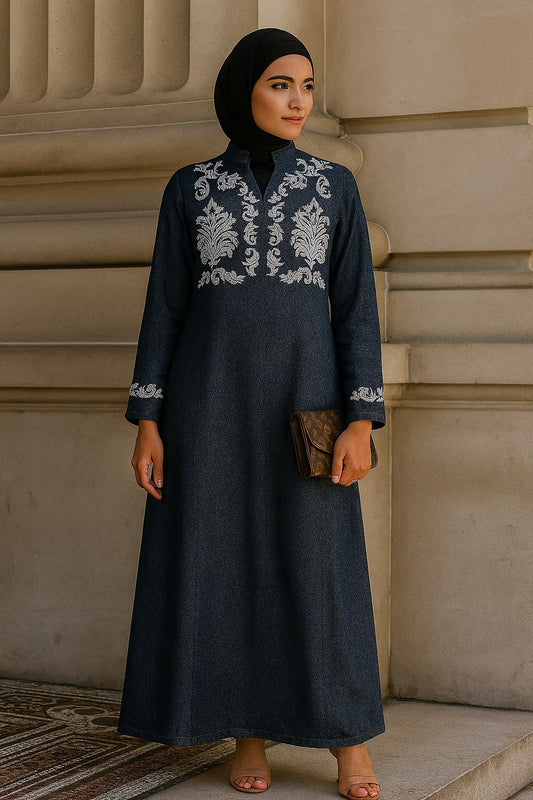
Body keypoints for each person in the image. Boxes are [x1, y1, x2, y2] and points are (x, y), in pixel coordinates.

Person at [118, 28, 385, 800]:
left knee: (319, 569)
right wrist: (148, 418)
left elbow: (357, 311)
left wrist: (361, 418)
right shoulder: (190, 188)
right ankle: (248, 732)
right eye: (279, 84)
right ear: (244, 90)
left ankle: (349, 744)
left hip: (307, 403)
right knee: (222, 561)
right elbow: (165, 308)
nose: (298, 100)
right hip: (207, 406)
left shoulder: (334, 188)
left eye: (305, 85)